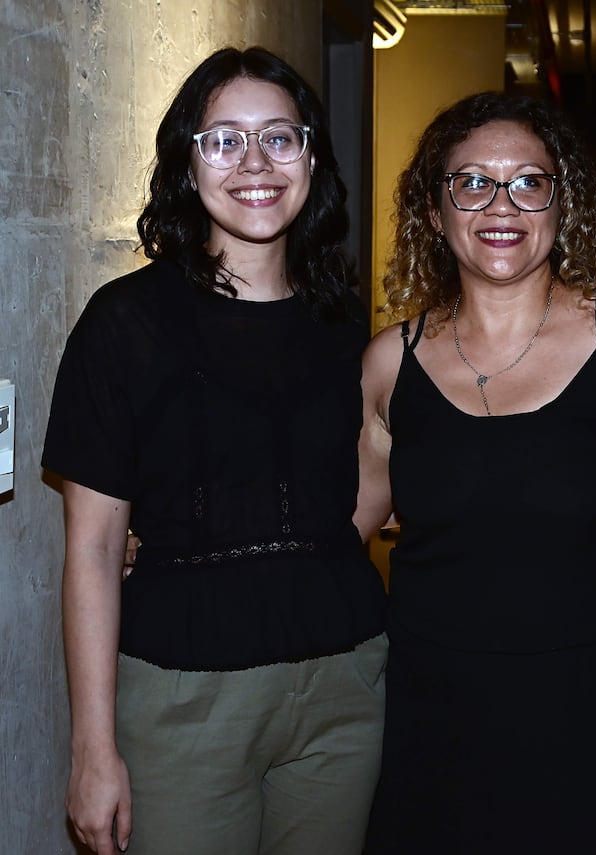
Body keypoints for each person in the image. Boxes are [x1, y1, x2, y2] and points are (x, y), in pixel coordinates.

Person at [354, 92, 596, 854]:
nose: (502, 203)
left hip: (592, 696)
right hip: (438, 701)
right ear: (436, 211)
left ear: (565, 208)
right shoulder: (390, 362)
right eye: (472, 182)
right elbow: (343, 527)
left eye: (529, 181)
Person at [42, 46, 387, 855]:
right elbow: (92, 548)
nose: (255, 163)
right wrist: (92, 749)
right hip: (182, 697)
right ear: (185, 163)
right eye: (224, 139)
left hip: (343, 688)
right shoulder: (125, 323)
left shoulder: (342, 320)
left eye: (280, 137)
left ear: (311, 157)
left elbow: (353, 490)